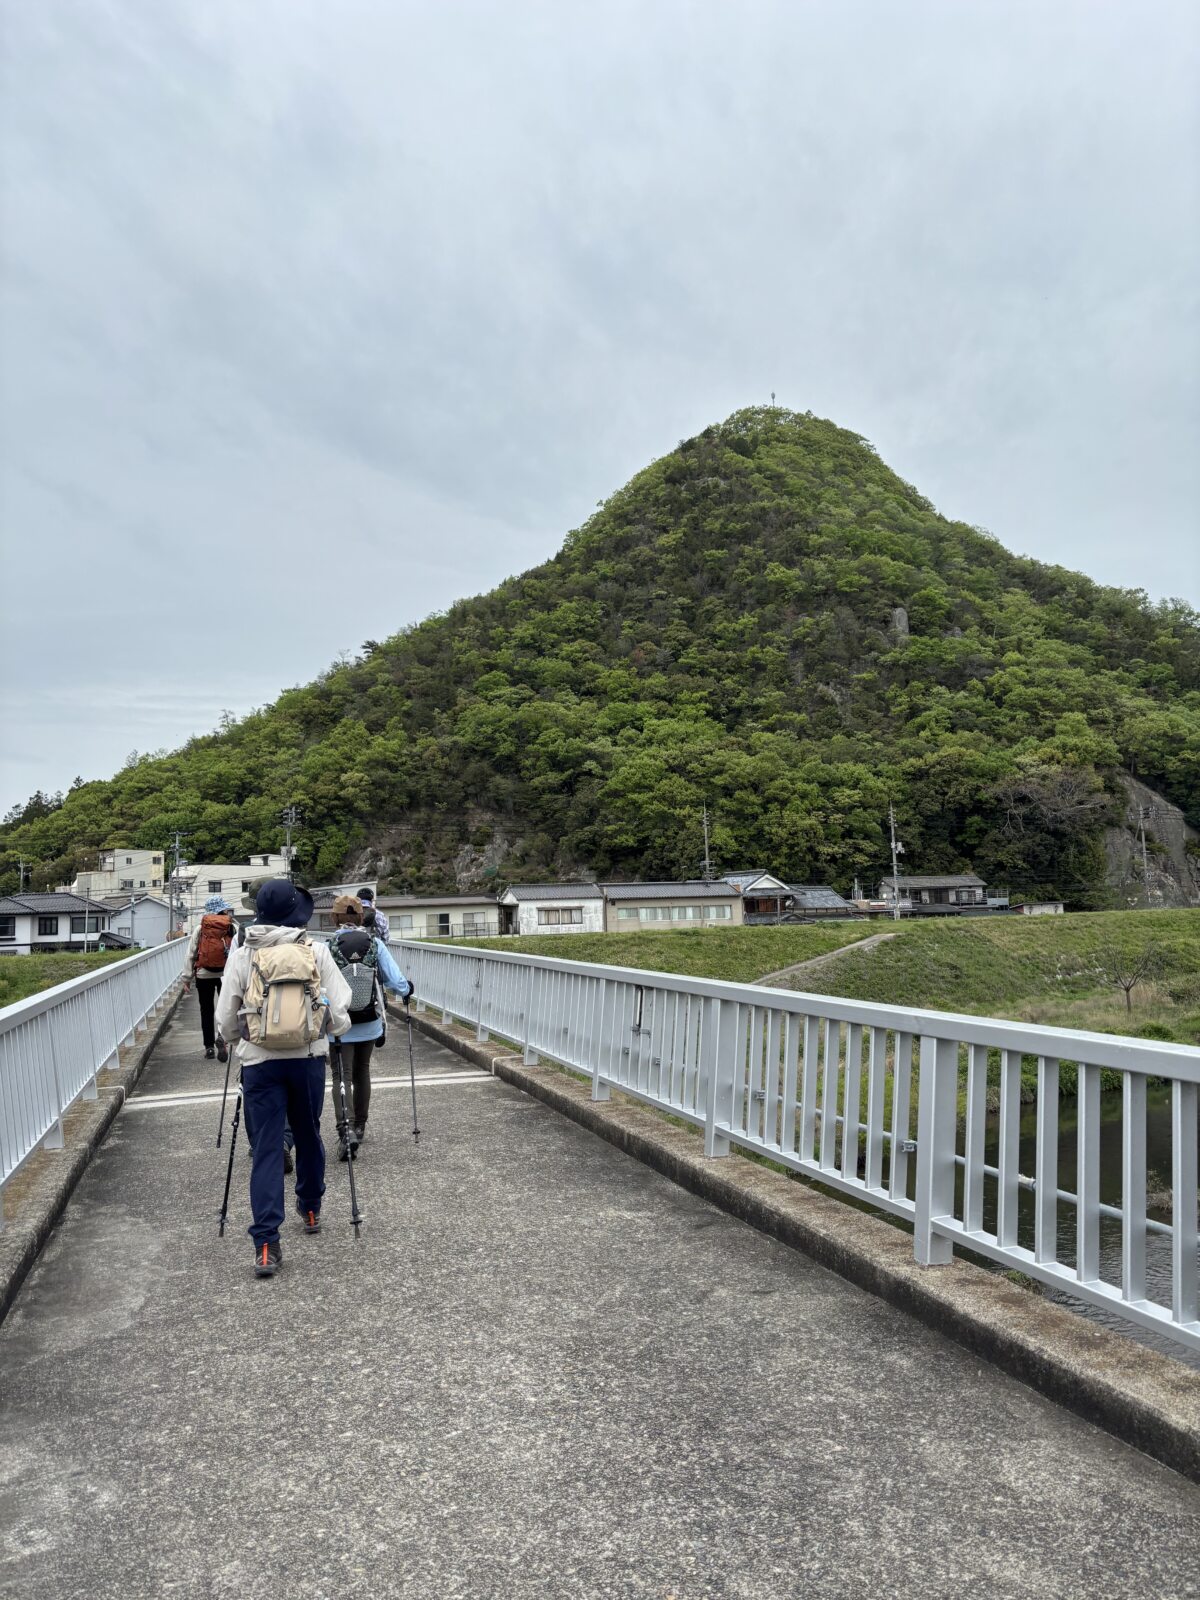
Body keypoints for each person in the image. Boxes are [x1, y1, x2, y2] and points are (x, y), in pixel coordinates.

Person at [215, 879, 352, 1278]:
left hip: (260, 1064)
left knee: (267, 1149)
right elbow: (340, 1007)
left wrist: (240, 1041)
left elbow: (226, 1019)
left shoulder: (243, 953)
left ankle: (266, 1243)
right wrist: (331, 1029)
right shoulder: (316, 950)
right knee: (308, 1133)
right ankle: (310, 1207)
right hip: (307, 1058)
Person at [328, 894, 412, 1160]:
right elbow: (395, 980)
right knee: (362, 1071)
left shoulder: (328, 946)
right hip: (369, 1019)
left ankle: (346, 1130)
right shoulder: (374, 943)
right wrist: (407, 989)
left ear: (335, 918)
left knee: (341, 1075)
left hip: (339, 1022)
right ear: (361, 916)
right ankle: (360, 1126)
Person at [183, 895, 235, 1061]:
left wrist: (186, 978)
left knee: (206, 1010)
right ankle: (222, 1038)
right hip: (225, 974)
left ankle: (209, 1047)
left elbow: (191, 954)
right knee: (225, 1009)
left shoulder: (201, 928)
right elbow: (238, 952)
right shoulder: (231, 927)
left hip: (203, 974)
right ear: (222, 909)